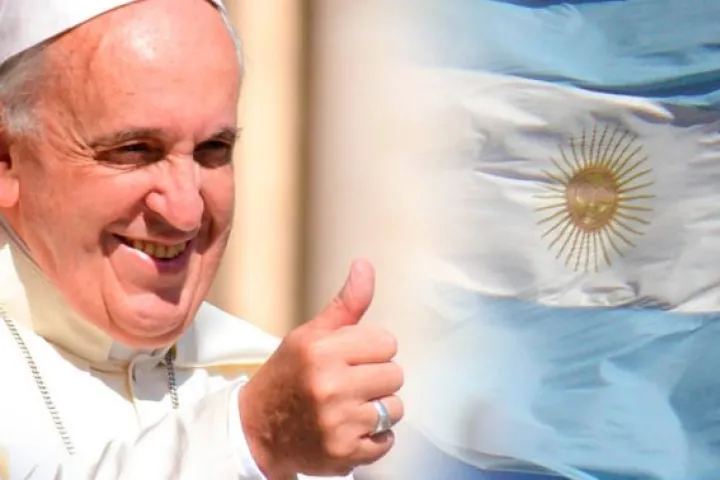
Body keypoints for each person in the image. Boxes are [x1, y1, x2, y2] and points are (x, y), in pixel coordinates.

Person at [0, 0, 404, 478]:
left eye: (214, 149)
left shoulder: (268, 383)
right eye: (134, 150)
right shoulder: (268, 417)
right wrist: (249, 440)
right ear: (7, 159)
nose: (186, 212)